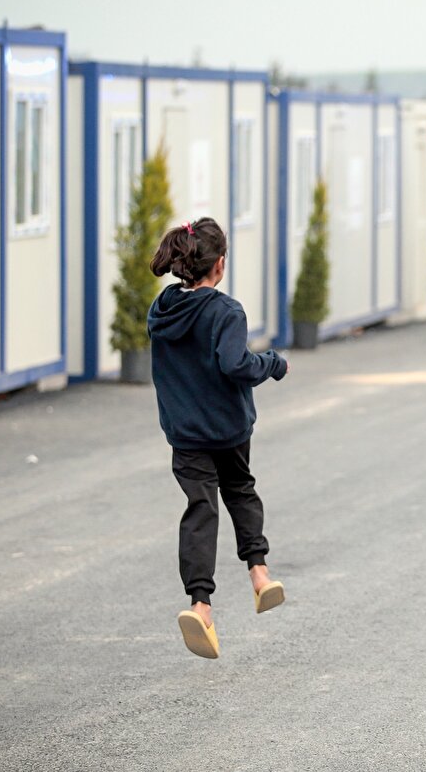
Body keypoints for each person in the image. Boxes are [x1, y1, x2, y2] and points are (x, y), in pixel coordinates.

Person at [147, 217, 289, 659]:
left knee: (201, 509)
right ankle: (260, 575)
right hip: (227, 430)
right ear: (220, 264)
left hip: (185, 435)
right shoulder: (226, 312)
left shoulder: (163, 310)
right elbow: (236, 365)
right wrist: (272, 363)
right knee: (241, 492)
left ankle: (201, 607)